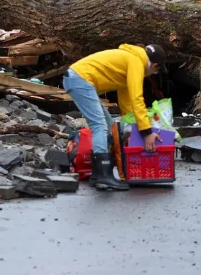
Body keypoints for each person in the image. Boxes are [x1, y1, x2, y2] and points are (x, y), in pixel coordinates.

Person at [63, 43, 167, 191]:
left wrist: (132, 129)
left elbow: (128, 103)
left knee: (107, 122)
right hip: (80, 80)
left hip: (77, 79)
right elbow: (137, 98)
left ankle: (97, 175)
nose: (153, 74)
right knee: (100, 126)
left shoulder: (131, 60)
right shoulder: (137, 62)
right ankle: (104, 176)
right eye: (156, 71)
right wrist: (147, 133)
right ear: (154, 65)